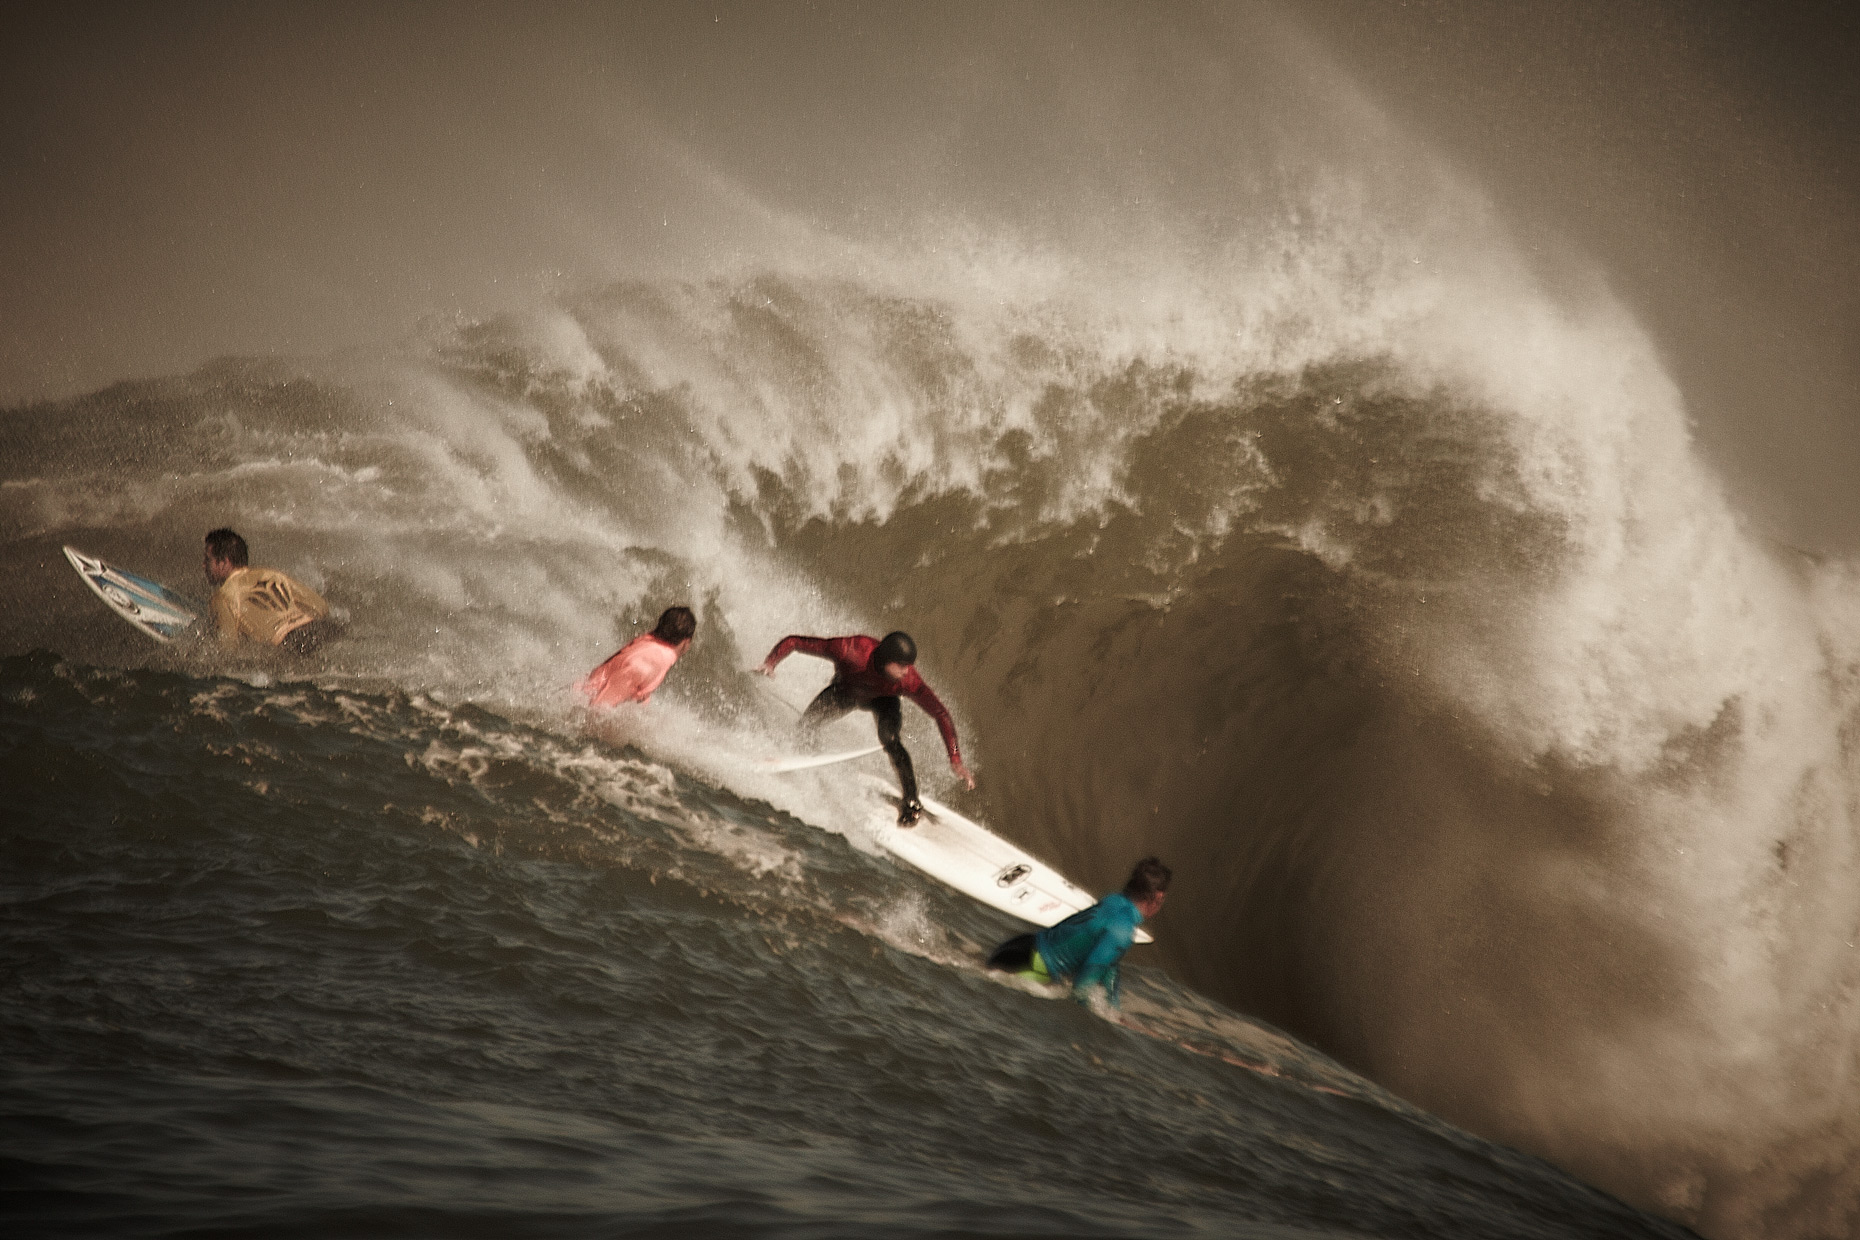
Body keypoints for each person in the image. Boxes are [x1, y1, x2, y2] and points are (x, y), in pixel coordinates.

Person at [757, 630, 973, 825]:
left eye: (909, 665)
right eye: (902, 665)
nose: (907, 671)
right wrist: (770, 664)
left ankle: (912, 801)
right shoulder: (849, 650)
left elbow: (940, 713)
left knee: (890, 740)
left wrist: (955, 759)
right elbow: (795, 642)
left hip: (884, 700)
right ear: (886, 660)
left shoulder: (908, 682)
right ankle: (802, 758)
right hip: (845, 693)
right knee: (806, 726)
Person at [987, 857, 1171, 1008]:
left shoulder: (1114, 901)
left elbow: (1109, 964)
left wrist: (1114, 1010)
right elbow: (1082, 986)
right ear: (1157, 897)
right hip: (1031, 968)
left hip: (1020, 947)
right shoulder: (1123, 931)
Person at [202, 528, 332, 653]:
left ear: (224, 562)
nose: (204, 565)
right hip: (322, 629)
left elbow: (227, 649)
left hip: (291, 644)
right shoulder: (271, 574)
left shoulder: (222, 596)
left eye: (208, 560)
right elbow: (321, 606)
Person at [578, 606, 696, 707]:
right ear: (686, 641)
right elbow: (599, 707)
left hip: (580, 694)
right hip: (582, 705)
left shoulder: (649, 642)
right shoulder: (653, 660)